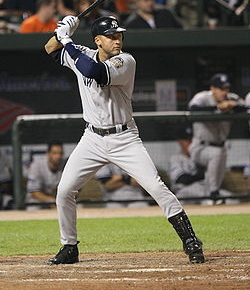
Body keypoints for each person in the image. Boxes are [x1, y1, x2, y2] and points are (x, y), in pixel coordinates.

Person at [44, 14, 205, 265]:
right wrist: (62, 31)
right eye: (111, 36)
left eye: (119, 35)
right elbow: (49, 49)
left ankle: (190, 240)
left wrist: (67, 40)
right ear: (98, 40)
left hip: (124, 138)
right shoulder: (82, 52)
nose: (117, 40)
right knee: (64, 191)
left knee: (155, 186)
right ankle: (69, 247)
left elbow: (93, 71)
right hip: (92, 138)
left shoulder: (125, 61)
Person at [188, 73, 246, 203]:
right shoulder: (202, 97)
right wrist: (217, 107)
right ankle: (213, 193)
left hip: (220, 146)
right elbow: (193, 108)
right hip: (200, 148)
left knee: (220, 154)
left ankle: (212, 197)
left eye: (226, 89)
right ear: (212, 88)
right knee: (217, 153)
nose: (224, 92)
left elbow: (246, 107)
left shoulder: (231, 98)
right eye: (221, 89)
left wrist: (234, 106)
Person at [26, 142, 65, 210]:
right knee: (33, 208)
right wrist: (51, 200)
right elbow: (34, 193)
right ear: (48, 154)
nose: (58, 156)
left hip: (57, 200)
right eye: (54, 153)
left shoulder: (66, 166)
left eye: (60, 153)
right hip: (38, 200)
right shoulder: (36, 166)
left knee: (78, 206)